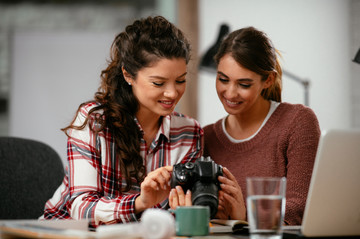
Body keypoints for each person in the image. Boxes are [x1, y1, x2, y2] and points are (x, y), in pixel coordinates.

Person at [41, 16, 203, 227]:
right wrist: (140, 202)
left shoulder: (189, 133)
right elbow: (81, 209)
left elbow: (178, 214)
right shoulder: (95, 122)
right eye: (158, 82)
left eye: (180, 80)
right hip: (63, 232)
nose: (172, 93)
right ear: (128, 75)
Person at [203, 26, 321, 225]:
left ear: (268, 80)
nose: (230, 93)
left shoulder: (298, 122)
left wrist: (244, 215)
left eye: (244, 84)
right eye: (223, 79)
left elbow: (299, 209)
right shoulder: (206, 137)